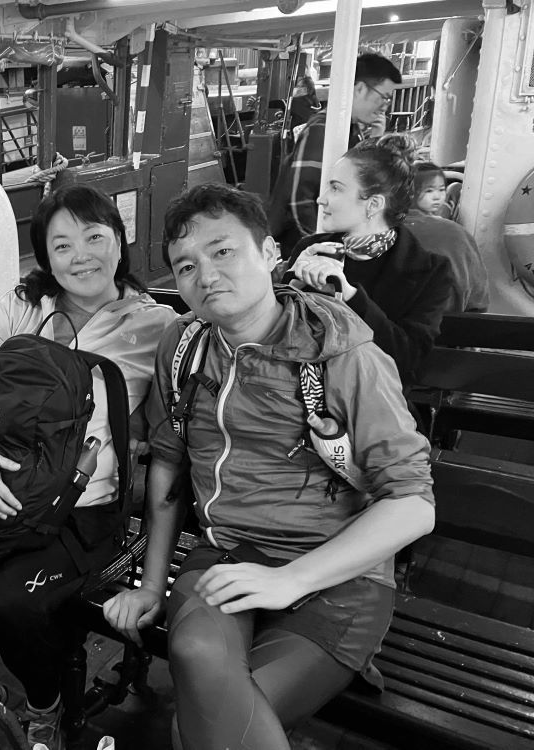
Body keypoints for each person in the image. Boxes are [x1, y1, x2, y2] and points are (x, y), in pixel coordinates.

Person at [103, 183, 435, 750]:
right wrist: (152, 585)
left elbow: (413, 503)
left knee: (196, 730)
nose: (206, 275)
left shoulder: (341, 353)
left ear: (270, 253)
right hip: (227, 553)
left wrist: (290, 580)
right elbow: (168, 462)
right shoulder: (184, 348)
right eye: (186, 266)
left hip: (339, 576)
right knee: (198, 653)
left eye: (223, 251)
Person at [0, 185, 176, 750]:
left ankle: (44, 707)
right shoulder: (18, 309)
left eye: (95, 237)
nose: (81, 256)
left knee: (12, 606)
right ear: (45, 256)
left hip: (79, 510)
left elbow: (169, 431)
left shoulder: (158, 327)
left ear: (120, 240)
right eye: (62, 245)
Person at [286, 135, 453, 383]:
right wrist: (289, 286)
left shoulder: (430, 271)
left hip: (371, 396)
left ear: (373, 204)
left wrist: (350, 295)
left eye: (335, 188)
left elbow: (407, 358)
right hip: (295, 391)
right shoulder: (311, 249)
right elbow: (273, 336)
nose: (321, 199)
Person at [269, 52, 402, 256]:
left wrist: (376, 138)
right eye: (384, 97)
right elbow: (300, 200)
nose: (385, 107)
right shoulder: (323, 130)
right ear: (360, 89)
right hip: (310, 252)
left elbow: (365, 179)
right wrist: (324, 245)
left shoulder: (351, 130)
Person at [405, 163, 489, 313]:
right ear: (412, 192)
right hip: (450, 319)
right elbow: (478, 298)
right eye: (429, 190)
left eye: (441, 190)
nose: (437, 196)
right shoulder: (457, 233)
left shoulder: (384, 227)